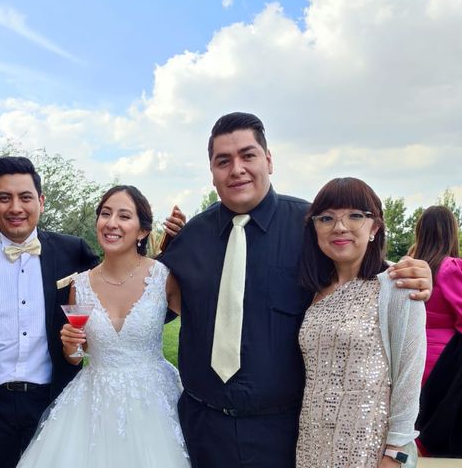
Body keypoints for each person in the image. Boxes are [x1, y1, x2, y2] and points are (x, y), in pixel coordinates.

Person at [160, 112, 432, 467]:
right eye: (223, 161)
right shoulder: (193, 236)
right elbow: (154, 306)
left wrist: (412, 270)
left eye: (248, 155)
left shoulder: (309, 226)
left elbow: (358, 272)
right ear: (211, 171)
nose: (236, 169)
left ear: (269, 160)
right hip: (203, 427)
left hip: (286, 433)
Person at [17, 185, 189, 467]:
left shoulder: (164, 277)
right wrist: (70, 346)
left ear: (142, 230)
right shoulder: (79, 285)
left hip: (155, 402)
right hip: (93, 404)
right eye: (105, 214)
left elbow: (202, 322)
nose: (111, 223)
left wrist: (184, 244)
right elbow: (76, 357)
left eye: (124, 216)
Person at [0, 156, 99, 468]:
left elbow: (116, 281)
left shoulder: (72, 250)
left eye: (25, 197)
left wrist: (154, 251)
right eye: (4, 198)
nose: (15, 208)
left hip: (55, 398)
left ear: (41, 200)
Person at [296, 177, 425, 467]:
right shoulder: (313, 291)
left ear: (375, 227)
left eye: (355, 215)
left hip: (369, 448)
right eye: (326, 218)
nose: (339, 227)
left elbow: (409, 376)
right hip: (312, 443)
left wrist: (395, 454)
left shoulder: (397, 286)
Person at [409, 206, 462, 457]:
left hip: (412, 355)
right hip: (445, 362)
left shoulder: (407, 267)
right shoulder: (451, 267)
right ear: (451, 232)